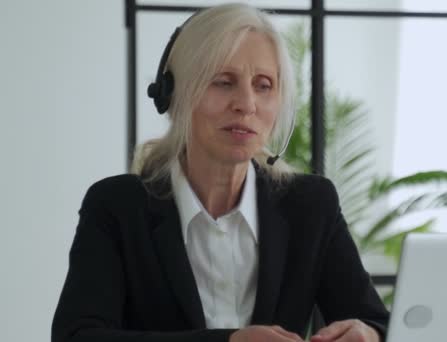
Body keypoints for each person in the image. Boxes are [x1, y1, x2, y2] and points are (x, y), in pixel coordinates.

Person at [52, 3, 389, 342]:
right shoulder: (117, 206)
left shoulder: (312, 205)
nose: (246, 103)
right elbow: (77, 336)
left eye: (263, 85)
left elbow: (377, 323)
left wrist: (367, 334)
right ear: (175, 94)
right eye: (224, 82)